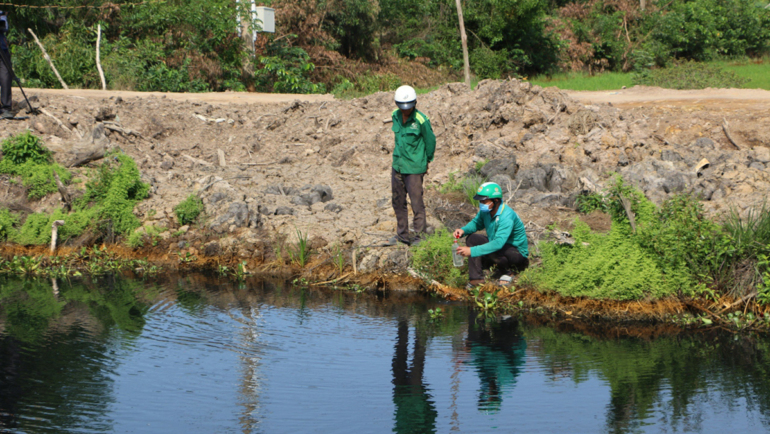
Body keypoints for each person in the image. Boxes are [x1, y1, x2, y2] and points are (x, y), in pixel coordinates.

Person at [453, 182, 528, 287]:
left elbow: (498, 243)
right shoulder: (486, 211)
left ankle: (509, 272)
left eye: (484, 201)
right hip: (498, 248)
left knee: (505, 253)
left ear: (496, 200)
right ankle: (476, 279)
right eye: (480, 201)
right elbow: (476, 223)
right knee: (473, 239)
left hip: (515, 253)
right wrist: (463, 230)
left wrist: (471, 251)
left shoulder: (506, 216)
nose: (481, 203)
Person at [388, 85, 436, 246]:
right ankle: (402, 235)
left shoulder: (421, 120)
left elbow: (430, 141)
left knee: (416, 203)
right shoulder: (395, 115)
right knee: (397, 201)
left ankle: (419, 236)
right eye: (402, 107)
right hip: (398, 165)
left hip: (415, 168)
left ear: (415, 103)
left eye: (408, 107)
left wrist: (426, 161)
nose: (405, 110)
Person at [0, 11, 13, 120]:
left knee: (5, 77)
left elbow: (4, 26)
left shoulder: (1, 13)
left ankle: (6, 108)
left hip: (2, 50)